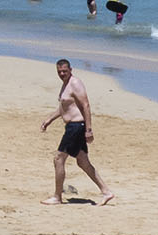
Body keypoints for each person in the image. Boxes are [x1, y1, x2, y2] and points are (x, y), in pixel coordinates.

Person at [41, 59, 116, 205]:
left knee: (58, 159)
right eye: (59, 72)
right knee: (82, 161)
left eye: (65, 71)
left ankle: (57, 196)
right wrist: (50, 119)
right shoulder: (65, 84)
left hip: (76, 127)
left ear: (71, 70)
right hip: (73, 126)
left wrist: (88, 129)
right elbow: (64, 108)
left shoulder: (75, 83)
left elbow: (86, 105)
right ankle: (106, 192)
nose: (62, 74)